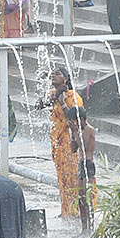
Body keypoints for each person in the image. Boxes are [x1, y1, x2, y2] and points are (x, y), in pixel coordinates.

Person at [40, 68, 84, 217]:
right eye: (53, 74)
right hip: (57, 142)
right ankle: (66, 210)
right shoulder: (53, 95)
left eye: (58, 74)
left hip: (69, 142)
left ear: (66, 79)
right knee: (62, 177)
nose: (53, 76)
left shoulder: (73, 97)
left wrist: (62, 101)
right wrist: (57, 95)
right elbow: (39, 105)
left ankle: (76, 210)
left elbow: (75, 119)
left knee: (71, 176)